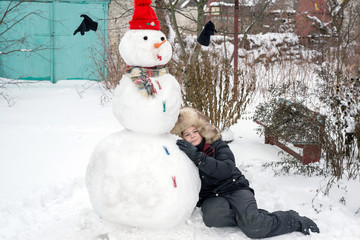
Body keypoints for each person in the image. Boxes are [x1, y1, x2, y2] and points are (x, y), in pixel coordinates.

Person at [171, 107, 320, 239]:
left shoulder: (217, 145)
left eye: (195, 131)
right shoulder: (183, 157)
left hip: (235, 188)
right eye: (187, 134)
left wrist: (199, 158)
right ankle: (250, 217)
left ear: (201, 129)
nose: (193, 136)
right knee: (211, 219)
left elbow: (226, 168)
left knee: (255, 228)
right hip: (212, 196)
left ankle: (293, 219)